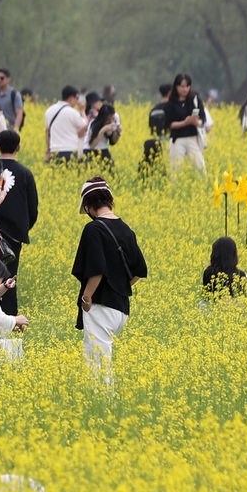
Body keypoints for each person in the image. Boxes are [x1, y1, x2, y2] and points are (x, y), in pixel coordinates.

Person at [72, 177, 146, 377]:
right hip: (120, 309)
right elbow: (139, 270)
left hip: (100, 307)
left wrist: (87, 297)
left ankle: (103, 403)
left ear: (88, 206)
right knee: (101, 360)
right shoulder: (126, 229)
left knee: (98, 366)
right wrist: (118, 286)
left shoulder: (93, 229)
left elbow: (97, 270)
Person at [0, 131, 37, 316]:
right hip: (15, 235)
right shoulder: (25, 173)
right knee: (10, 276)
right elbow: (33, 208)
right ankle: (10, 317)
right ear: (18, 147)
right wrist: (23, 228)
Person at [164, 73, 209, 172]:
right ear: (176, 87)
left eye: (187, 86)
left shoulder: (194, 101)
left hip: (193, 138)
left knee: (200, 168)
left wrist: (196, 122)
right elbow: (169, 124)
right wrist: (185, 123)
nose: (185, 89)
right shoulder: (170, 104)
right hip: (177, 140)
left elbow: (203, 119)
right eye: (182, 86)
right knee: (177, 170)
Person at [45, 86, 89, 162]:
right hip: (70, 151)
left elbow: (47, 133)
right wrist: (82, 111)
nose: (77, 100)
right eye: (77, 98)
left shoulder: (49, 111)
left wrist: (48, 150)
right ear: (71, 98)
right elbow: (84, 124)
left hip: (54, 152)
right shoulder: (72, 112)